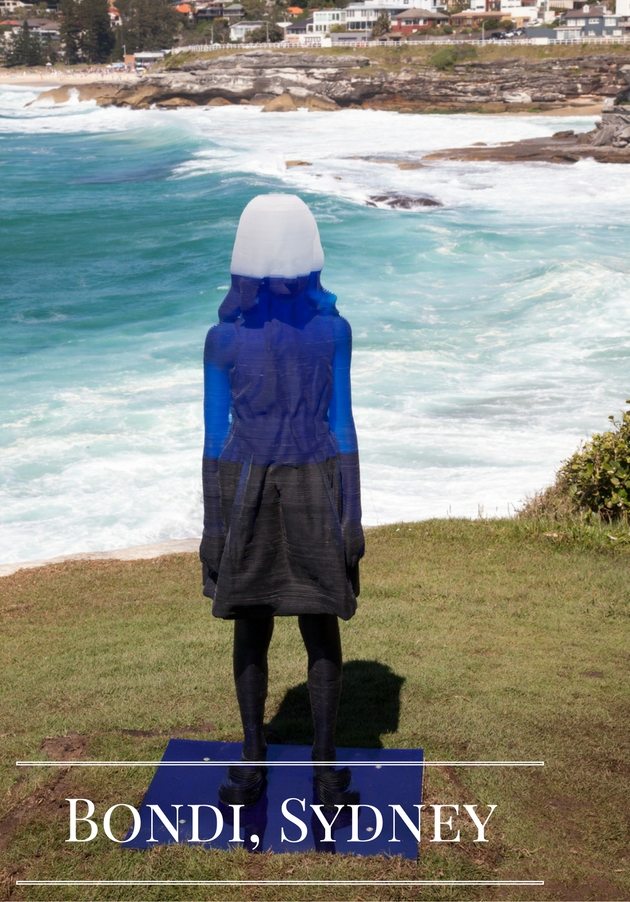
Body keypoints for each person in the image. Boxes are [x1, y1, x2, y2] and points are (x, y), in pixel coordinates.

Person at [200, 193, 364, 807]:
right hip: (312, 487)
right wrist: (350, 515)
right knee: (299, 625)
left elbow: (216, 439)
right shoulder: (332, 330)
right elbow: (344, 428)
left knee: (264, 627)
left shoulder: (223, 337)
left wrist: (215, 526)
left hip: (250, 488)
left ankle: (258, 761)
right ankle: (313, 766)